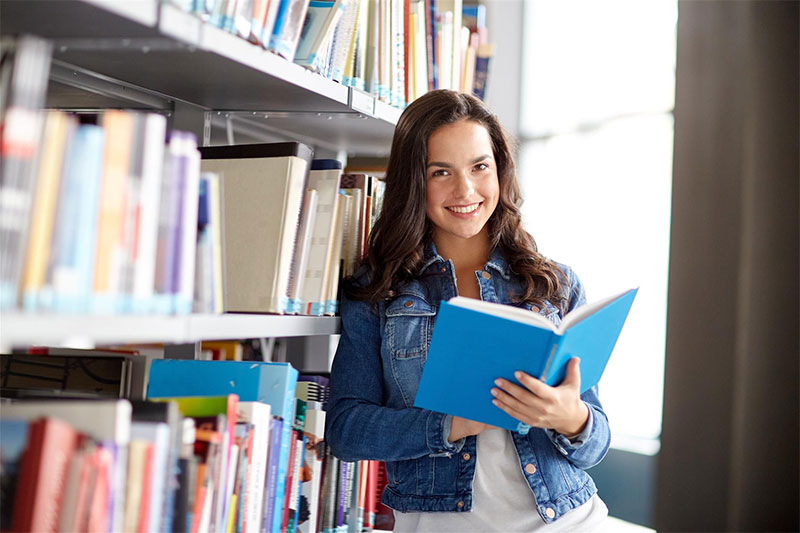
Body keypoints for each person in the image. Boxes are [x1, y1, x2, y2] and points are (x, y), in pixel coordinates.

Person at [325, 90, 610, 532]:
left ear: (500, 171)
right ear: (415, 181)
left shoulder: (554, 283)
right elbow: (346, 430)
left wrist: (569, 417)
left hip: (569, 520)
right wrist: (452, 423)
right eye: (442, 171)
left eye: (480, 167)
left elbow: (595, 445)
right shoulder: (378, 291)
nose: (465, 190)